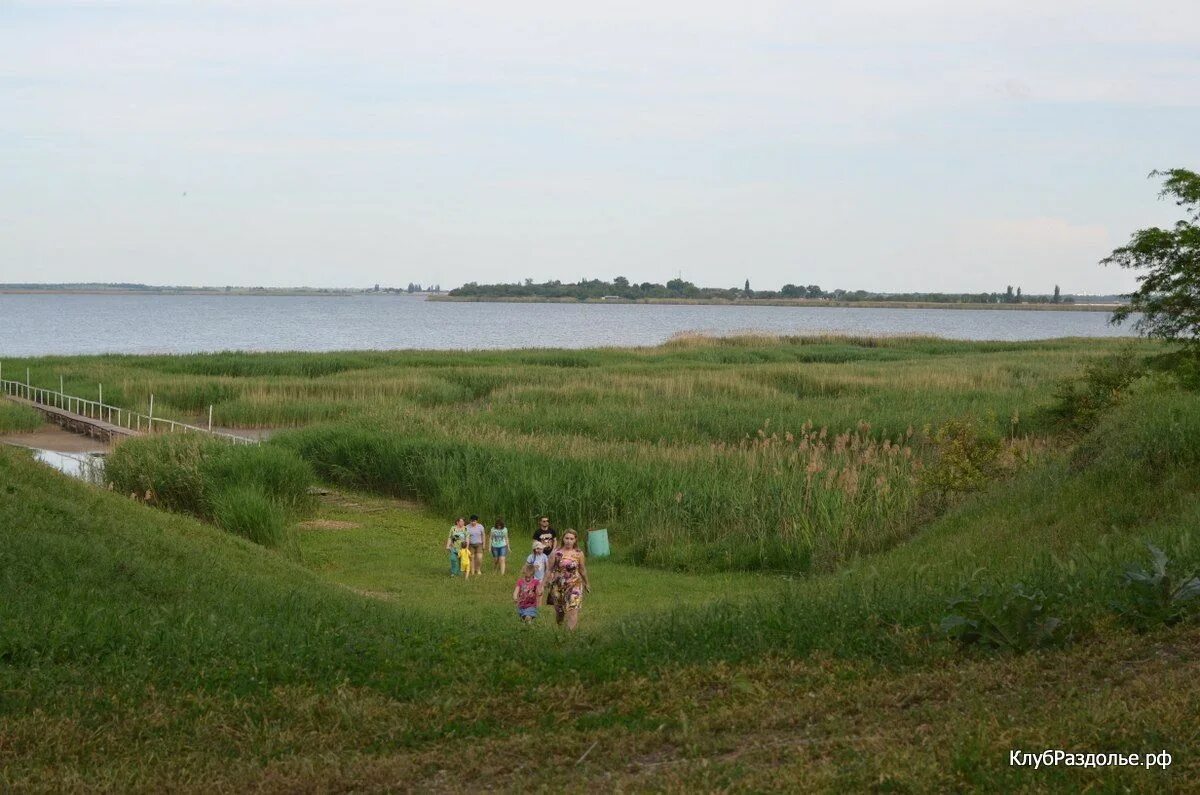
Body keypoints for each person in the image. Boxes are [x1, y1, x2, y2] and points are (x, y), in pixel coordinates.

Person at [547, 529, 590, 630]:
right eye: (567, 538)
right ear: (563, 539)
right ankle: (559, 628)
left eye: (571, 539)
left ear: (575, 540)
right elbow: (549, 569)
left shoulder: (579, 553)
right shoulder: (556, 553)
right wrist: (545, 583)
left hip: (575, 584)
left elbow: (582, 569)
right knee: (560, 612)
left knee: (573, 609)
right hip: (558, 585)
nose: (569, 541)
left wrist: (587, 583)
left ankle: (569, 636)